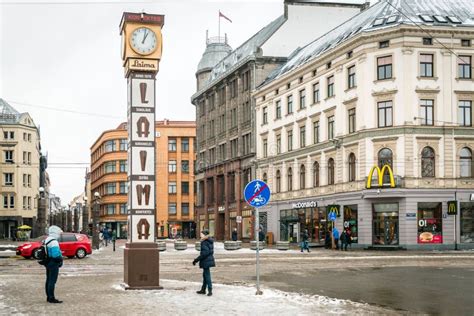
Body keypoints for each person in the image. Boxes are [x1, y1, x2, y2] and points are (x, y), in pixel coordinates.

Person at [193, 229, 215, 296]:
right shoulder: (209, 241)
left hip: (206, 261)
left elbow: (204, 253)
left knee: (207, 276)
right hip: (208, 260)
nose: (200, 235)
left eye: (201, 234)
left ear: (205, 235)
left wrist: (196, 260)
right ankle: (203, 289)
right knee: (205, 275)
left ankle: (210, 290)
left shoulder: (204, 242)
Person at [44, 225, 64, 303]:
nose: (59, 235)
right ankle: (51, 298)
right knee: (52, 281)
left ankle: (48, 296)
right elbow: (55, 255)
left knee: (48, 280)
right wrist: (60, 259)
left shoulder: (47, 239)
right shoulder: (54, 241)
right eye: (59, 233)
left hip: (48, 262)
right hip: (53, 263)